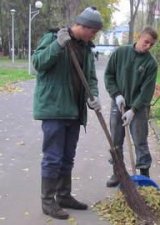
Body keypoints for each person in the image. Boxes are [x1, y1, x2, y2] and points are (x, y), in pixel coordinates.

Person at [32, 7, 103, 220]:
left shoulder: (86, 48)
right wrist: (57, 45)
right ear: (83, 26)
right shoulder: (54, 37)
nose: (94, 35)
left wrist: (94, 96)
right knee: (53, 158)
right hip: (54, 108)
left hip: (75, 110)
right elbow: (38, 64)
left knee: (67, 158)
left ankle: (63, 196)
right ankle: (48, 201)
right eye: (93, 31)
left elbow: (90, 78)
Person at [104, 26, 159, 187]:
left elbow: (147, 91)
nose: (148, 46)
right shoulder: (121, 53)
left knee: (140, 141)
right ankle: (118, 173)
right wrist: (116, 94)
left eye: (151, 44)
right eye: (146, 41)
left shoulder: (151, 63)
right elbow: (109, 75)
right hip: (118, 103)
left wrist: (133, 110)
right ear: (139, 37)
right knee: (115, 141)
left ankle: (144, 176)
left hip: (139, 108)